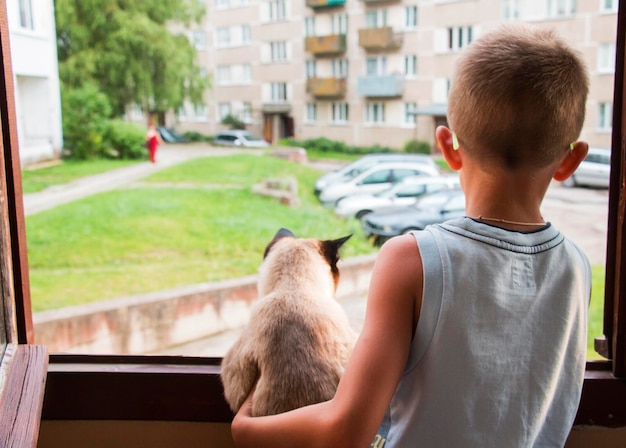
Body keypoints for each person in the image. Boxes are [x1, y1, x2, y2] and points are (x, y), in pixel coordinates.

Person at [231, 24, 591, 447]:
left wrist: (246, 429)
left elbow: (346, 430)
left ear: (447, 147)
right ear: (571, 161)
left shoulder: (413, 260)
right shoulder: (576, 268)